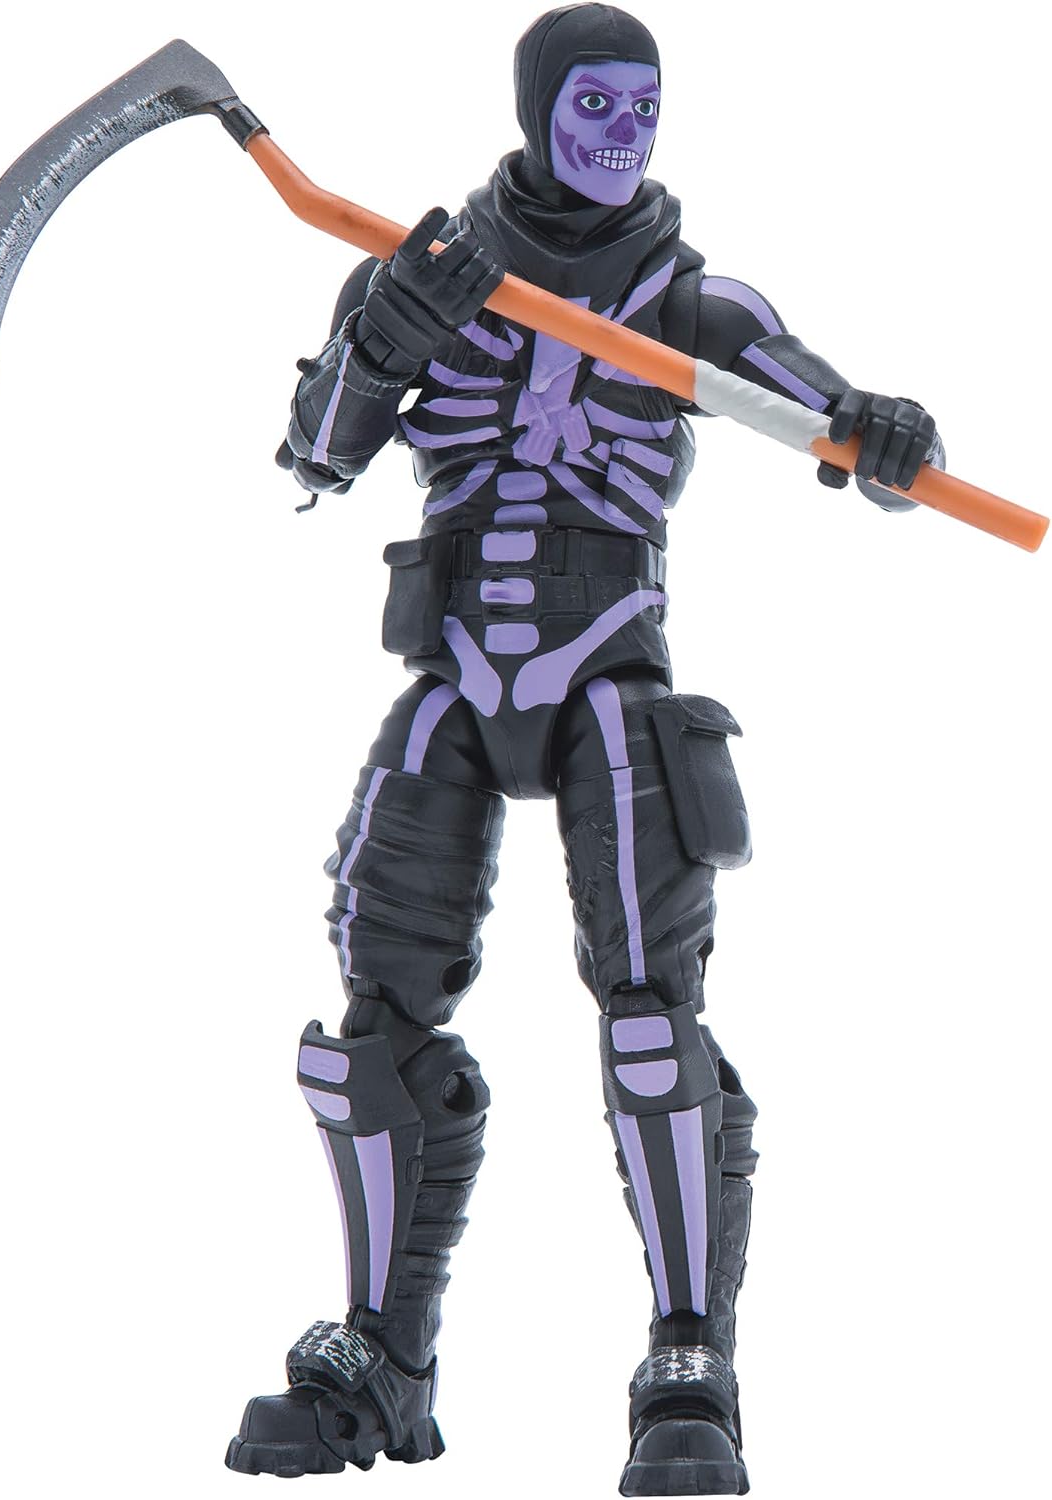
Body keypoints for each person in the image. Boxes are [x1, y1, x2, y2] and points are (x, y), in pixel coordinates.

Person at [226, 6, 940, 1494]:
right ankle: (384, 1357)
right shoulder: (422, 272)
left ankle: (691, 1363)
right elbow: (314, 454)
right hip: (453, 680)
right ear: (537, 107)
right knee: (372, 1018)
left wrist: (888, 437)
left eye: (644, 104)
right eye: (596, 103)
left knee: (651, 1021)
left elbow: (848, 428)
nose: (625, 131)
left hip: (611, 679)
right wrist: (386, 337)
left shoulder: (692, 305)